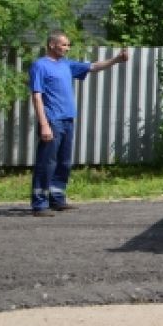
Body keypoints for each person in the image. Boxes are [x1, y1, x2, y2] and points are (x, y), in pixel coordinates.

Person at [29, 31, 128, 217]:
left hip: (67, 120)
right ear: (52, 44)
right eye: (64, 45)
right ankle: (39, 204)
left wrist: (116, 60)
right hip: (52, 120)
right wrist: (44, 124)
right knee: (46, 162)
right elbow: (36, 96)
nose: (67, 48)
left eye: (68, 45)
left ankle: (57, 198)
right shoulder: (39, 66)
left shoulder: (66, 64)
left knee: (64, 162)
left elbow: (92, 67)